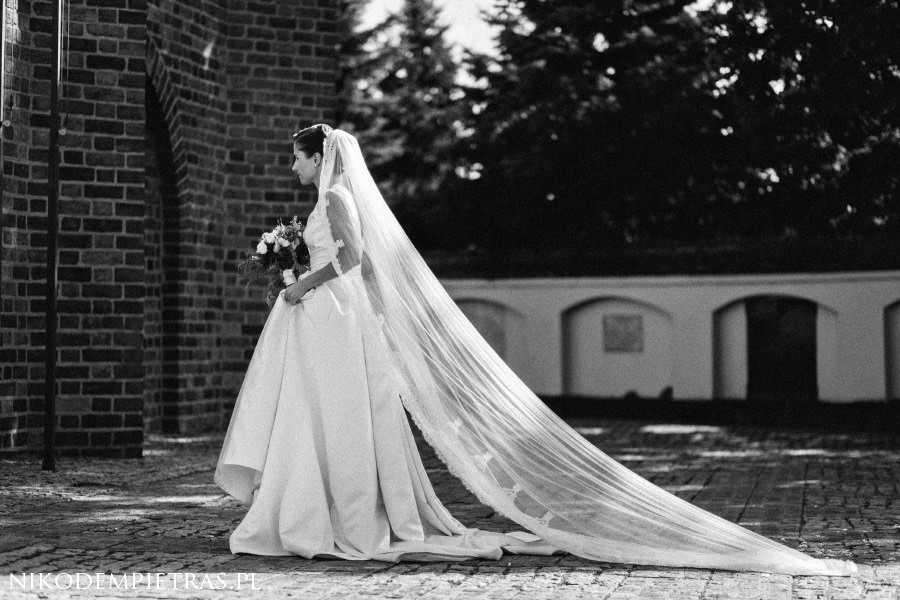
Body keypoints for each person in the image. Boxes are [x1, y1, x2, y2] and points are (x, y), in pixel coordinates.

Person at [214, 124, 856, 574]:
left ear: (319, 157)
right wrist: (296, 271)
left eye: (296, 158)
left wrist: (300, 284)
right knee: (320, 413)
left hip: (331, 312)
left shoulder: (334, 197)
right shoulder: (327, 199)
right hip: (326, 317)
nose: (293, 168)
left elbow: (352, 259)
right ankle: (314, 505)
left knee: (337, 412)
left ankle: (332, 513)